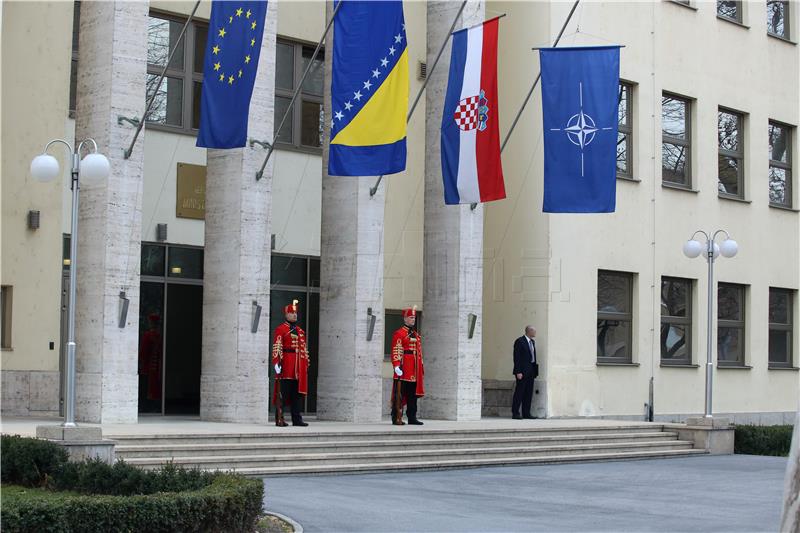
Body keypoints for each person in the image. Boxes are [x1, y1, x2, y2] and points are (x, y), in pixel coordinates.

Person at [272, 300, 310, 427]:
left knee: (296, 395)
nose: (295, 315)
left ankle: (297, 419)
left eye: (296, 313)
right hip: (287, 364)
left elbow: (304, 349)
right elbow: (277, 346)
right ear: (286, 315)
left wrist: (305, 364)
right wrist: (276, 362)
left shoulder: (300, 331)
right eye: (292, 313)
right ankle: (279, 419)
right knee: (283, 393)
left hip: (298, 367)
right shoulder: (281, 329)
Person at [390, 306, 425, 425]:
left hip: (414, 370)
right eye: (411, 317)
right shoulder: (399, 333)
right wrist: (396, 365)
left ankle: (412, 417)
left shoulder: (415, 334)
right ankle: (396, 417)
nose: (413, 319)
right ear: (405, 319)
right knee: (399, 395)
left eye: (414, 317)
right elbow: (396, 349)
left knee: (412, 395)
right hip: (404, 368)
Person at [512, 325, 539, 420]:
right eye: (534, 331)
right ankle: (515, 413)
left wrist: (535, 371)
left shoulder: (532, 342)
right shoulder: (520, 341)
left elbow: (533, 357)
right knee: (519, 392)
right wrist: (518, 371)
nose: (535, 333)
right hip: (522, 372)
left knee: (528, 393)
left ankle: (526, 413)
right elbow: (517, 358)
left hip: (531, 371)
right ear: (529, 331)